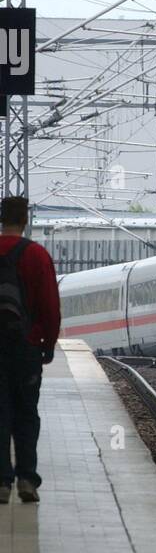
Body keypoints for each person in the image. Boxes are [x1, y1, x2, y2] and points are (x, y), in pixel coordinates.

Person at [0, 196, 61, 504]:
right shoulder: (37, 255)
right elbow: (50, 306)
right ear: (25, 221)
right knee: (26, 413)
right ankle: (26, 478)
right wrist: (47, 345)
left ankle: (1, 482)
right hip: (26, 349)